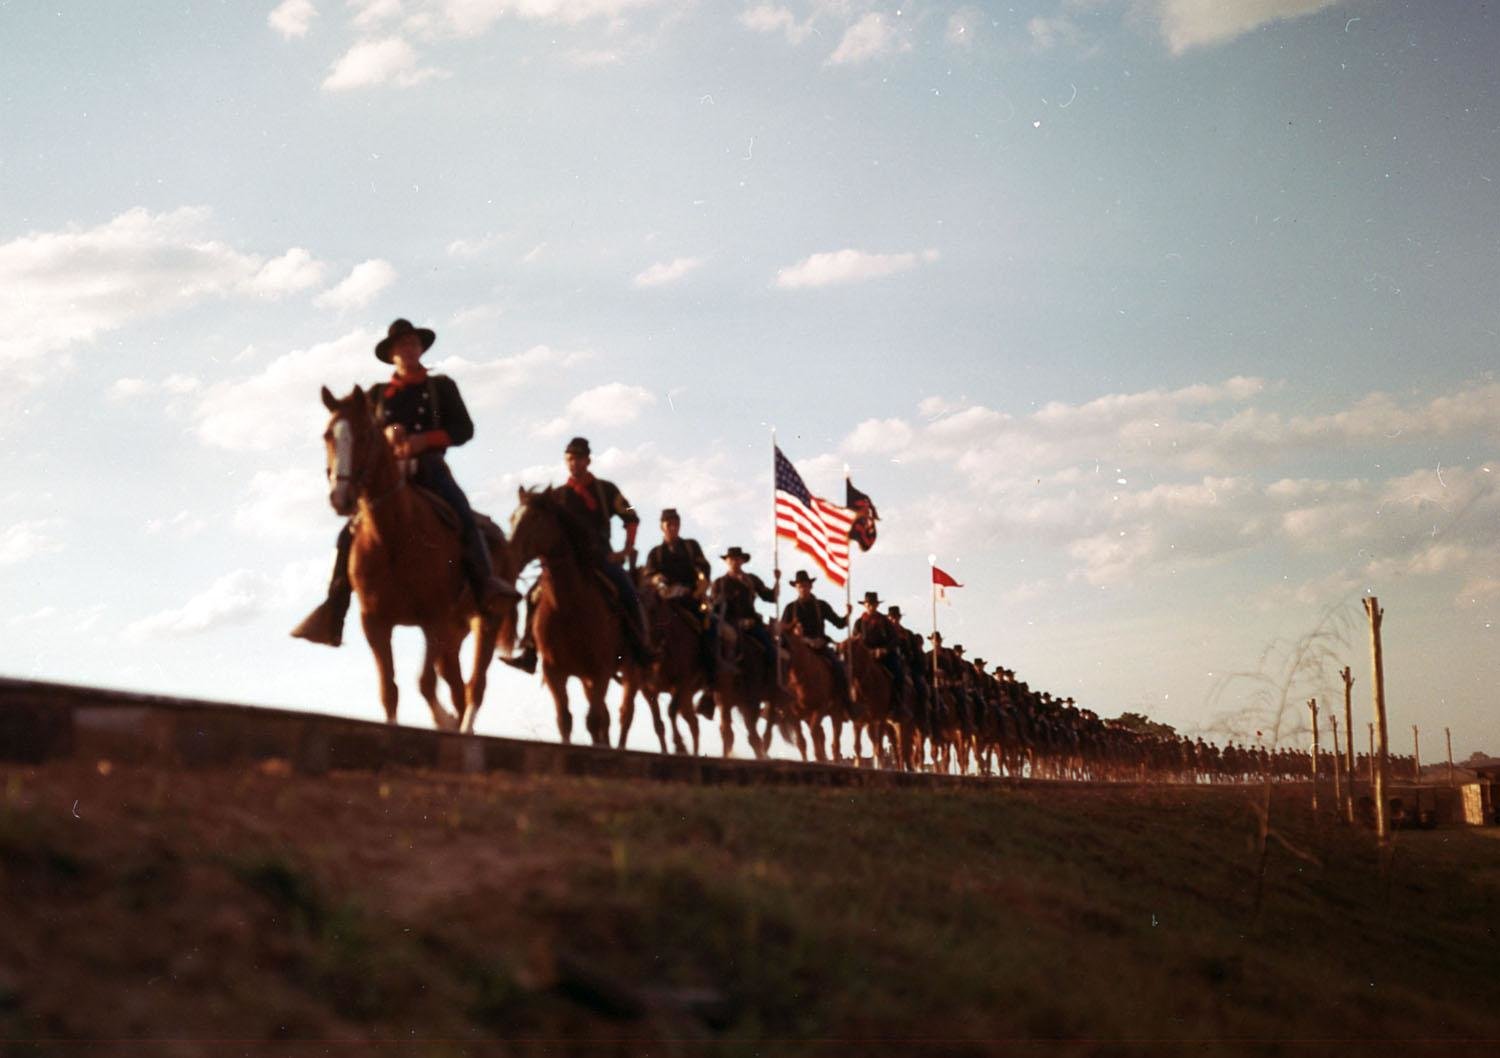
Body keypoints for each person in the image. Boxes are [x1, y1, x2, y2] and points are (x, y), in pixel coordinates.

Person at [291, 318, 516, 648]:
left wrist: (424, 440)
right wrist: (387, 435)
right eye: (402, 346)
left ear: (420, 349)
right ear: (392, 355)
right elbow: (362, 433)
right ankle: (333, 612)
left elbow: (464, 429)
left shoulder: (441, 387)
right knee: (347, 536)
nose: (408, 350)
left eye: (413, 344)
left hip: (430, 468)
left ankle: (486, 586)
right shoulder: (376, 395)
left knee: (462, 514)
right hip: (388, 474)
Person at [504, 436, 651, 672]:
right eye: (570, 459)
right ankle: (529, 650)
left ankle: (641, 646)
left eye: (578, 458)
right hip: (567, 561)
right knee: (533, 595)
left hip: (600, 557)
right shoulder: (558, 495)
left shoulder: (607, 489)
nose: (574, 463)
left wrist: (625, 549)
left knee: (627, 589)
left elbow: (632, 515)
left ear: (588, 460)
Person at [780, 570, 851, 700]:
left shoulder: (821, 605)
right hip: (798, 647)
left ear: (811, 586)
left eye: (806, 585)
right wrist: (796, 633)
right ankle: (776, 705)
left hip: (820, 647)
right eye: (800, 586)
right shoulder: (790, 608)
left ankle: (846, 704)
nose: (803, 588)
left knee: (839, 668)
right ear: (796, 587)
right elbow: (783, 631)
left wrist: (848, 614)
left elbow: (839, 624)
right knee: (780, 666)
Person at [852, 590, 904, 704]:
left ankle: (897, 703)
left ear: (877, 605)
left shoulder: (885, 621)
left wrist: (885, 649)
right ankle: (848, 704)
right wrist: (866, 652)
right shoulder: (859, 623)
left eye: (873, 604)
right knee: (849, 672)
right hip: (865, 656)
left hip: (885, 655)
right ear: (865, 605)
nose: (871, 606)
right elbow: (855, 641)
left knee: (898, 673)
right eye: (868, 604)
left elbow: (895, 639)